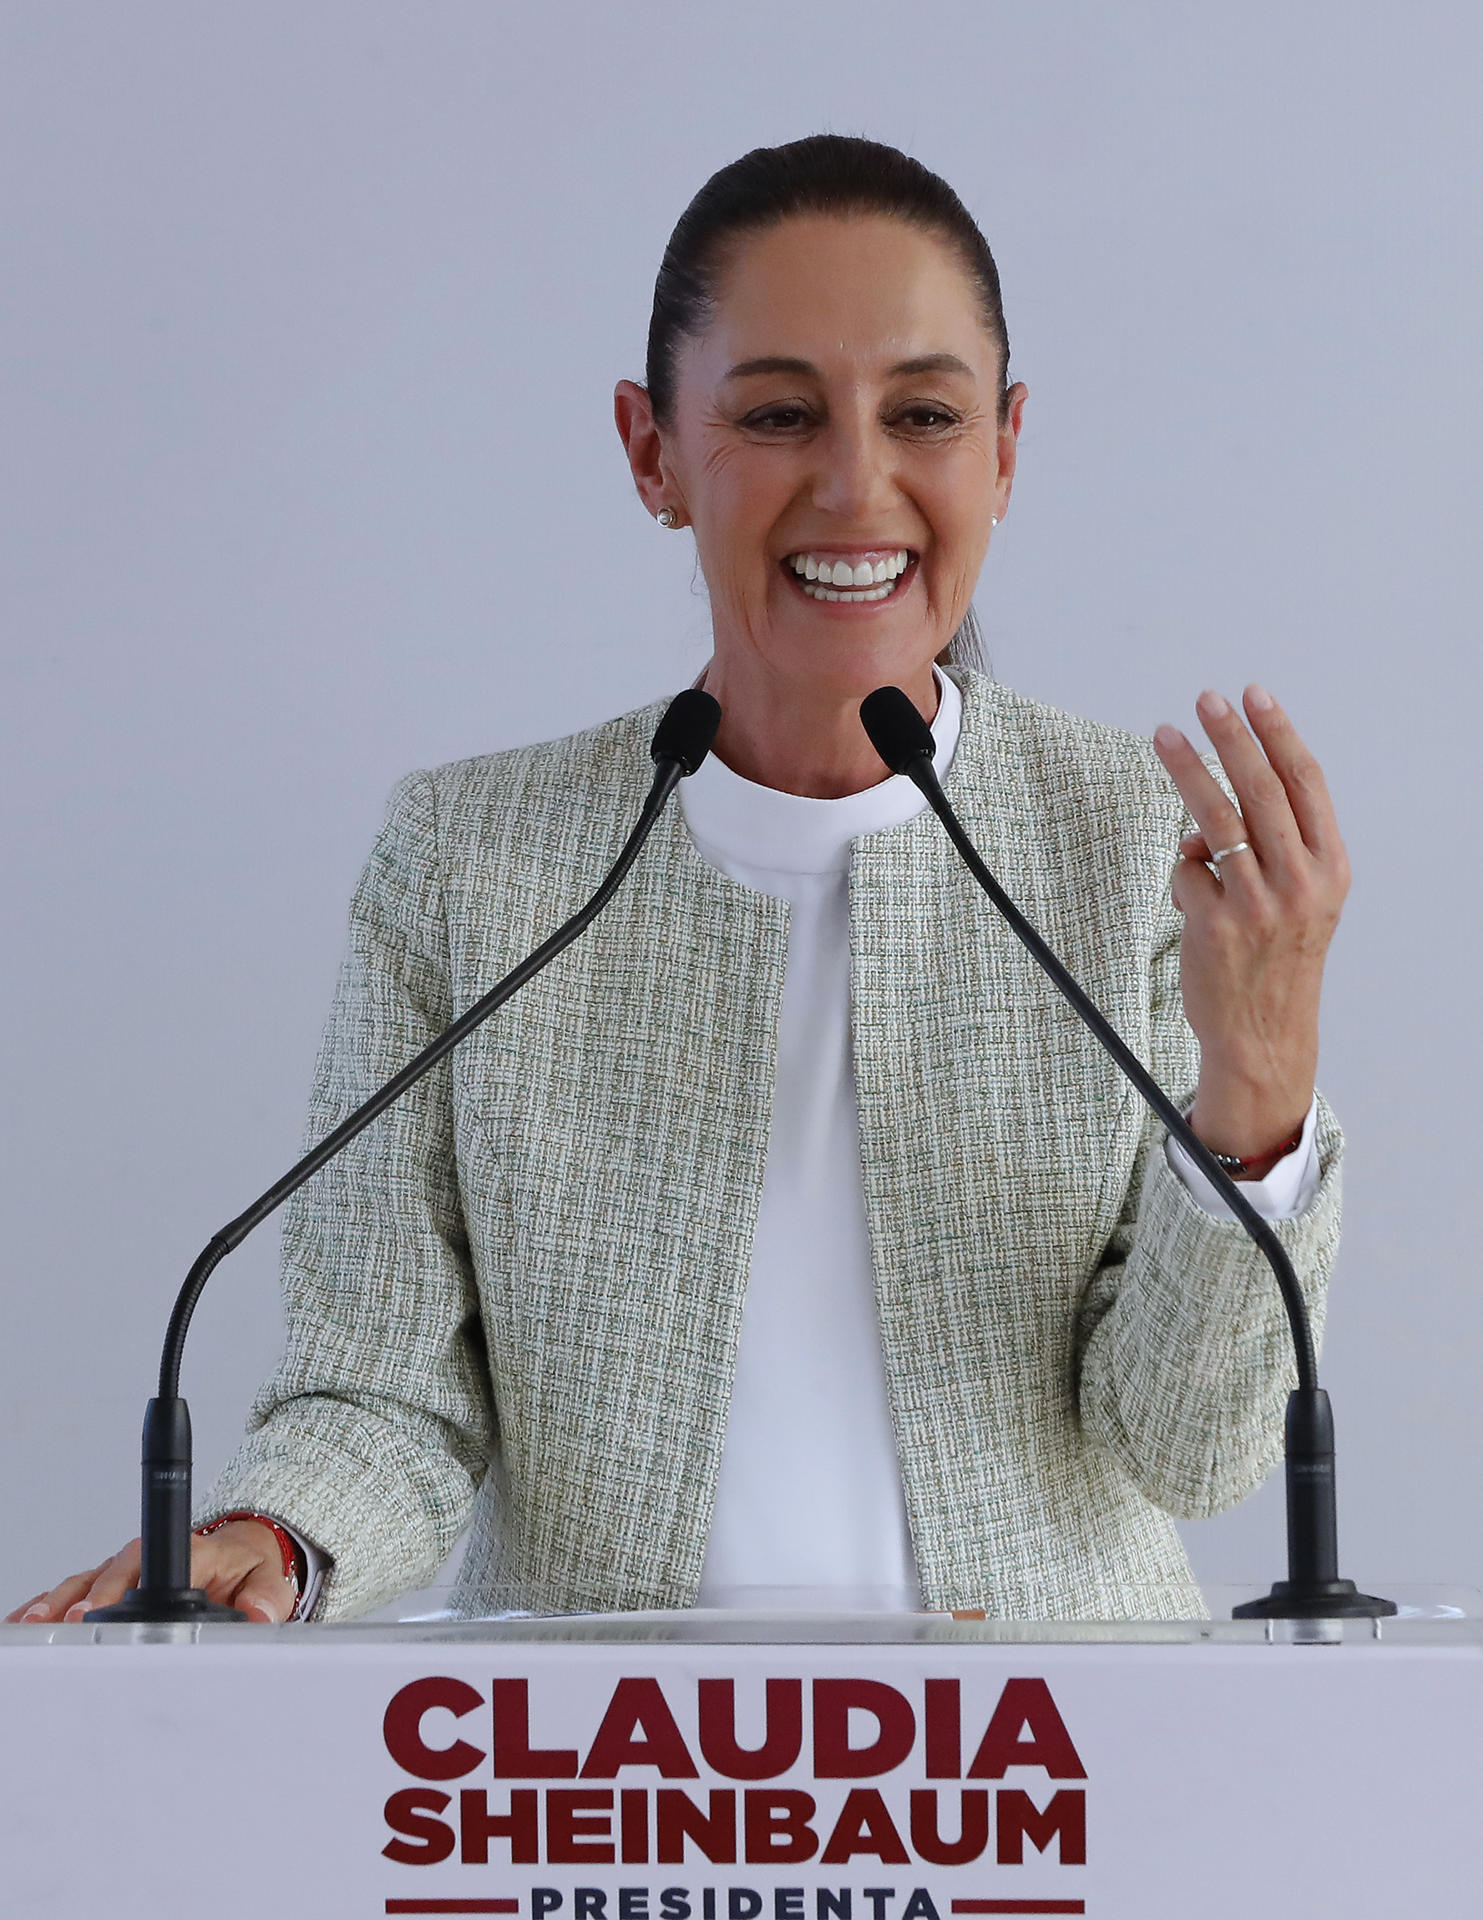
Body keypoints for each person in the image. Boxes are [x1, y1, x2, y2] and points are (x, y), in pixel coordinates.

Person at [10, 134, 1349, 1628]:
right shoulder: (472, 864)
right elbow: (381, 1397)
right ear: (652, 451)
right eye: (778, 415)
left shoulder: (1129, 846)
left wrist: (1263, 1080)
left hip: (1039, 1800)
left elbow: (1194, 1447)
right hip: (606, 1804)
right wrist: (280, 1536)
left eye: (925, 414)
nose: (857, 483)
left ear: (1007, 451)